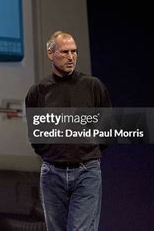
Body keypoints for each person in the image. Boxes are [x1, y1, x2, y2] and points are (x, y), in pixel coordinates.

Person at [25, 31, 111, 231]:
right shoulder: (38, 92)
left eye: (74, 52)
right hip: (52, 173)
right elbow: (35, 135)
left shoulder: (93, 86)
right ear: (50, 53)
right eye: (65, 52)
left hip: (86, 172)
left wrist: (87, 152)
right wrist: (52, 153)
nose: (71, 57)